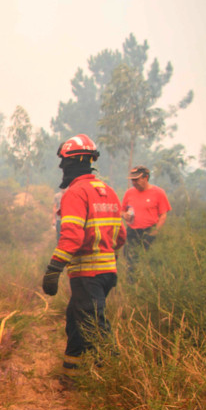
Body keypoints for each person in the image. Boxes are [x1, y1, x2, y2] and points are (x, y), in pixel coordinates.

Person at [41, 134, 126, 380]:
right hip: (107, 272)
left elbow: (72, 237)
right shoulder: (108, 191)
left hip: (88, 274)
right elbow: (120, 237)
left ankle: (115, 378)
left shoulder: (76, 193)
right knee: (76, 320)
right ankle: (71, 375)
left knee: (95, 327)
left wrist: (53, 269)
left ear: (75, 162)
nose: (61, 168)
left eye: (64, 163)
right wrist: (108, 257)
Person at [121, 164, 170, 268]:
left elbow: (163, 215)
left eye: (136, 180)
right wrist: (125, 215)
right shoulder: (129, 193)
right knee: (131, 260)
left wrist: (154, 232)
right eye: (132, 180)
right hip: (132, 232)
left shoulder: (158, 193)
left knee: (149, 261)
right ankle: (132, 282)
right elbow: (121, 211)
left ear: (146, 178)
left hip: (149, 231)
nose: (134, 183)